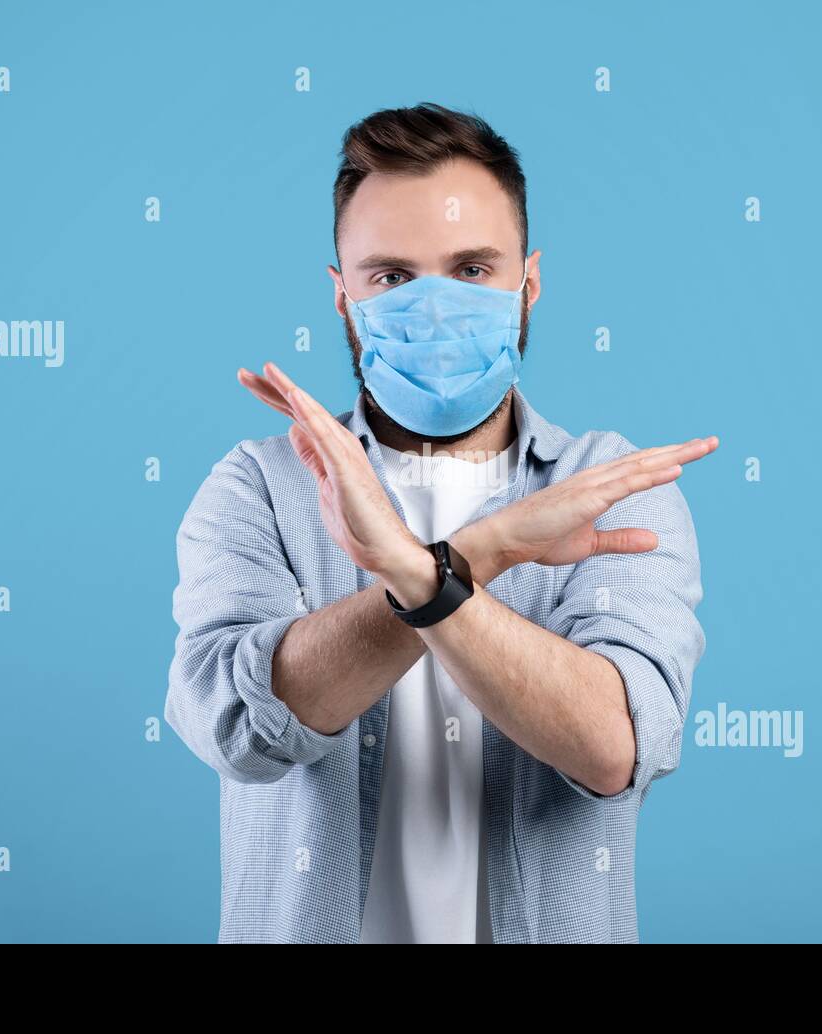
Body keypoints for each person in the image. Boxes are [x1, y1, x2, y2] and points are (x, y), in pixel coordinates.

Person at [165, 102, 718, 943]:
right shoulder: (259, 488)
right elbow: (241, 730)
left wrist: (420, 572)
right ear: (342, 295)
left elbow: (615, 746)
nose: (433, 310)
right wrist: (479, 554)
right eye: (392, 276)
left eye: (471, 270)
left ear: (529, 283)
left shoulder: (613, 489)